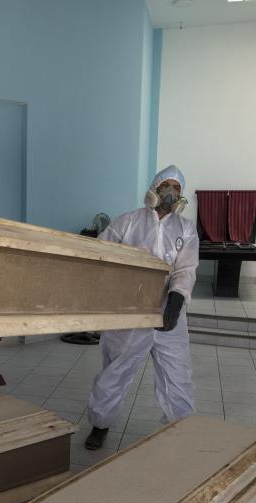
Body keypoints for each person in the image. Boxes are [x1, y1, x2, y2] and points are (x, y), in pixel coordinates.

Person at [84, 165, 199, 450]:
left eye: (177, 188)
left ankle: (180, 426)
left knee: (177, 372)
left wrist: (176, 301)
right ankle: (100, 423)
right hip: (130, 311)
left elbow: (186, 269)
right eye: (167, 186)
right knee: (116, 369)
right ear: (155, 188)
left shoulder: (185, 228)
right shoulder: (127, 222)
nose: (171, 193)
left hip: (168, 313)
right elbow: (100, 254)